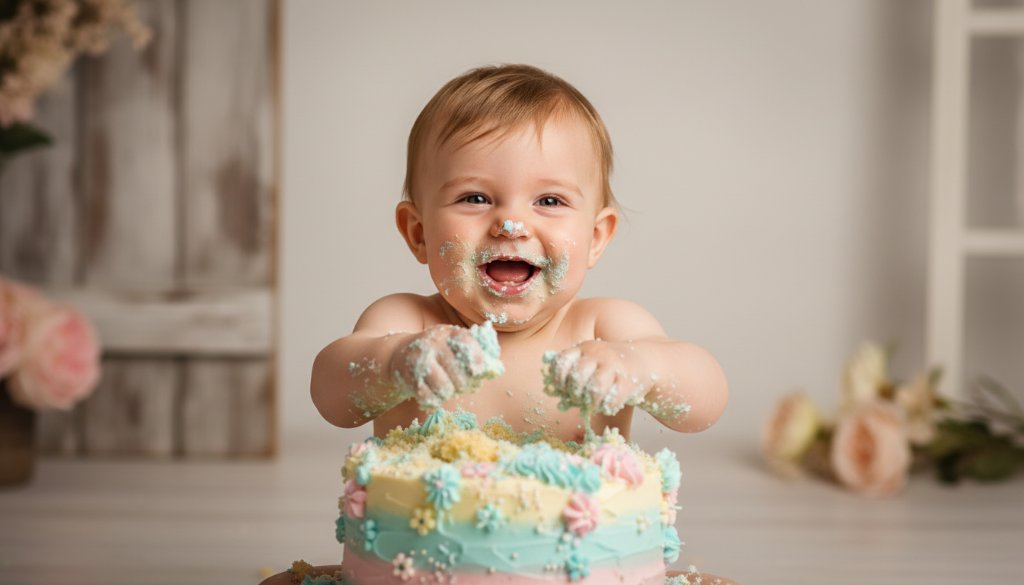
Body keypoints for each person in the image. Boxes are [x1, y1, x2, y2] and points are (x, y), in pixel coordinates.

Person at [311, 63, 728, 443]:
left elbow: (706, 401)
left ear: (597, 237)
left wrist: (640, 369)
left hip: (577, 527)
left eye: (549, 201)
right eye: (475, 198)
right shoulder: (406, 323)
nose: (511, 224)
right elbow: (331, 397)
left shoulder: (603, 329)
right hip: (425, 526)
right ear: (418, 233)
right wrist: (394, 363)